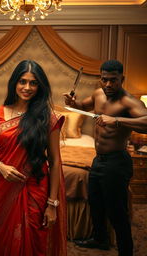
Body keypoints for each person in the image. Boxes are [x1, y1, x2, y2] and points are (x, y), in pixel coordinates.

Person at [0, 60, 67, 256]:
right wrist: (1, 167)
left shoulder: (47, 118)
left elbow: (55, 162)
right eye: (22, 81)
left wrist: (52, 204)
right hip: (3, 187)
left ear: (40, 86)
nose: (27, 87)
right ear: (14, 83)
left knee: (34, 241)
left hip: (35, 189)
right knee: (4, 240)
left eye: (33, 83)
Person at [63, 60, 147, 256]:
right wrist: (71, 103)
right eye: (104, 79)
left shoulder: (128, 102)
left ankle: (126, 251)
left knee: (117, 211)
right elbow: (83, 105)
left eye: (113, 80)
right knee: (96, 203)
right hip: (98, 160)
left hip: (117, 162)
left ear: (121, 79)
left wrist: (117, 120)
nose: (108, 85)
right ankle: (100, 239)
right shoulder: (98, 93)